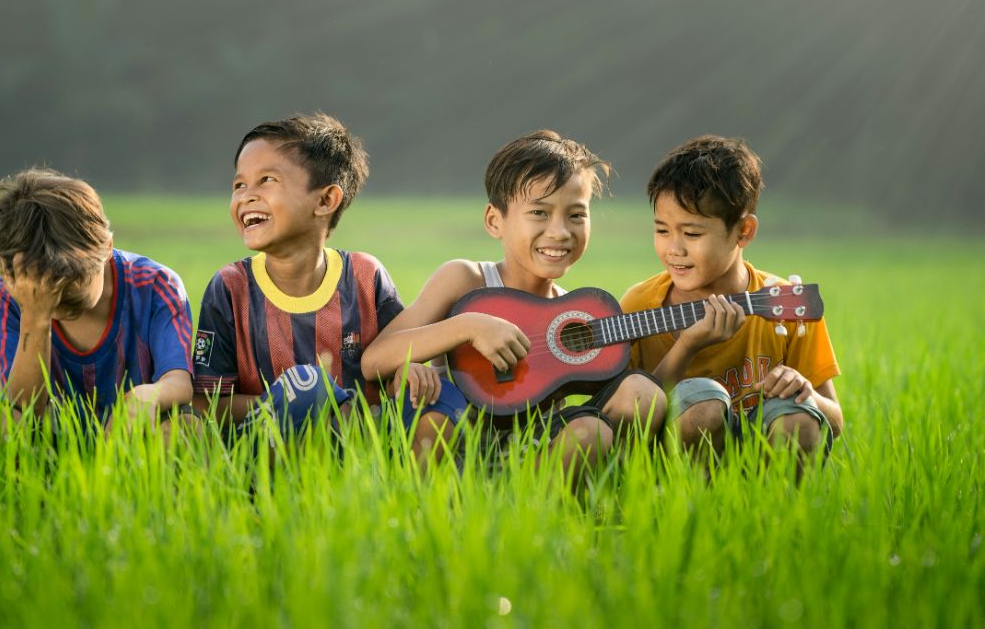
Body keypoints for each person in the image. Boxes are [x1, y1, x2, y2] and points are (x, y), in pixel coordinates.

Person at [361, 130, 665, 488]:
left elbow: (631, 398)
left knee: (604, 422)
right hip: (457, 445)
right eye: (539, 212)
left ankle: (543, 513)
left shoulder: (575, 314)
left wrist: (693, 339)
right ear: (495, 221)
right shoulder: (467, 279)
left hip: (534, 455)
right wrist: (468, 326)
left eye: (576, 215)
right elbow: (374, 360)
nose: (560, 231)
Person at [191, 112, 466, 463]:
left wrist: (408, 371)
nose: (247, 196)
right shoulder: (230, 288)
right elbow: (208, 403)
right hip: (269, 451)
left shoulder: (365, 276)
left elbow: (393, 359)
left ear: (325, 200)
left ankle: (409, 493)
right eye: (239, 185)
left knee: (444, 395)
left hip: (363, 442)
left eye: (266, 180)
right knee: (309, 385)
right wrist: (311, 402)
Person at [619, 135, 844, 465]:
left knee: (799, 420)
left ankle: (779, 513)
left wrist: (806, 393)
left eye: (692, 234)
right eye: (662, 230)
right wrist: (687, 346)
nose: (674, 249)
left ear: (744, 232)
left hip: (758, 457)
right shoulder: (639, 303)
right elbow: (624, 425)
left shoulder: (785, 304)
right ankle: (694, 510)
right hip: (670, 465)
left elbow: (835, 422)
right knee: (702, 408)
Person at [0, 168, 195, 440]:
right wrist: (35, 315)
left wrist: (146, 395)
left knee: (183, 427)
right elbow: (19, 409)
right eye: (39, 284)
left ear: (106, 248)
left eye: (67, 281)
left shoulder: (156, 286)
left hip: (135, 437)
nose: (52, 295)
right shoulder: (5, 299)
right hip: (49, 442)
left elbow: (179, 381)